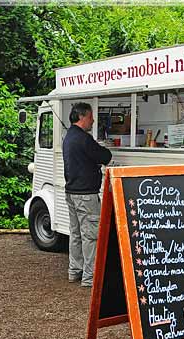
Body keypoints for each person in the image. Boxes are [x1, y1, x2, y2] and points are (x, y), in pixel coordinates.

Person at [62, 102, 112, 287]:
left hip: (71, 192)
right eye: (90, 117)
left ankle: (74, 271)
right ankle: (90, 277)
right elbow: (104, 156)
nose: (92, 120)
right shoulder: (84, 139)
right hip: (85, 195)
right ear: (82, 117)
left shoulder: (68, 137)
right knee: (91, 236)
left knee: (75, 234)